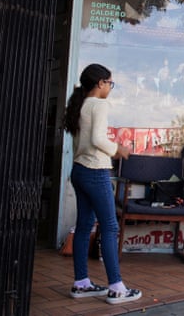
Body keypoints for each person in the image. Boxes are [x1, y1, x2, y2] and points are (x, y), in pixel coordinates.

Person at [63, 64, 142, 305]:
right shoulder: (99, 104)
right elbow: (98, 139)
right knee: (110, 226)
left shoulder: (80, 105)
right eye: (110, 83)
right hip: (96, 171)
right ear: (100, 83)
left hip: (78, 170)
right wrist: (118, 149)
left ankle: (81, 282)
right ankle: (117, 287)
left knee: (84, 226)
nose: (110, 88)